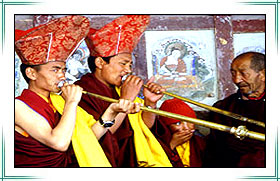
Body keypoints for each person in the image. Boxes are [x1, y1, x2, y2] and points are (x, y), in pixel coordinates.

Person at [15, 15, 140, 167]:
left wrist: (112, 111)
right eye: (55, 70)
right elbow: (59, 143)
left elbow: (87, 139)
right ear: (31, 73)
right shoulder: (18, 107)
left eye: (63, 69)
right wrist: (72, 102)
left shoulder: (58, 101)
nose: (62, 75)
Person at [75, 15, 172, 167]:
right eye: (123, 63)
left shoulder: (120, 89)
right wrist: (126, 98)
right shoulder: (82, 92)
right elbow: (98, 138)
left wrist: (150, 103)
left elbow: (144, 127)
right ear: (100, 62)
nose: (128, 70)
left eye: (130, 65)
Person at [203, 51, 265, 167]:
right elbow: (214, 150)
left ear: (263, 74)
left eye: (243, 73)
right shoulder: (222, 108)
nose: (237, 80)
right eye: (233, 73)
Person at [153, 98, 206, 167]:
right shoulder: (157, 142)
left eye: (190, 122)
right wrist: (172, 145)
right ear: (166, 126)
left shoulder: (200, 142)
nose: (186, 127)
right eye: (177, 123)